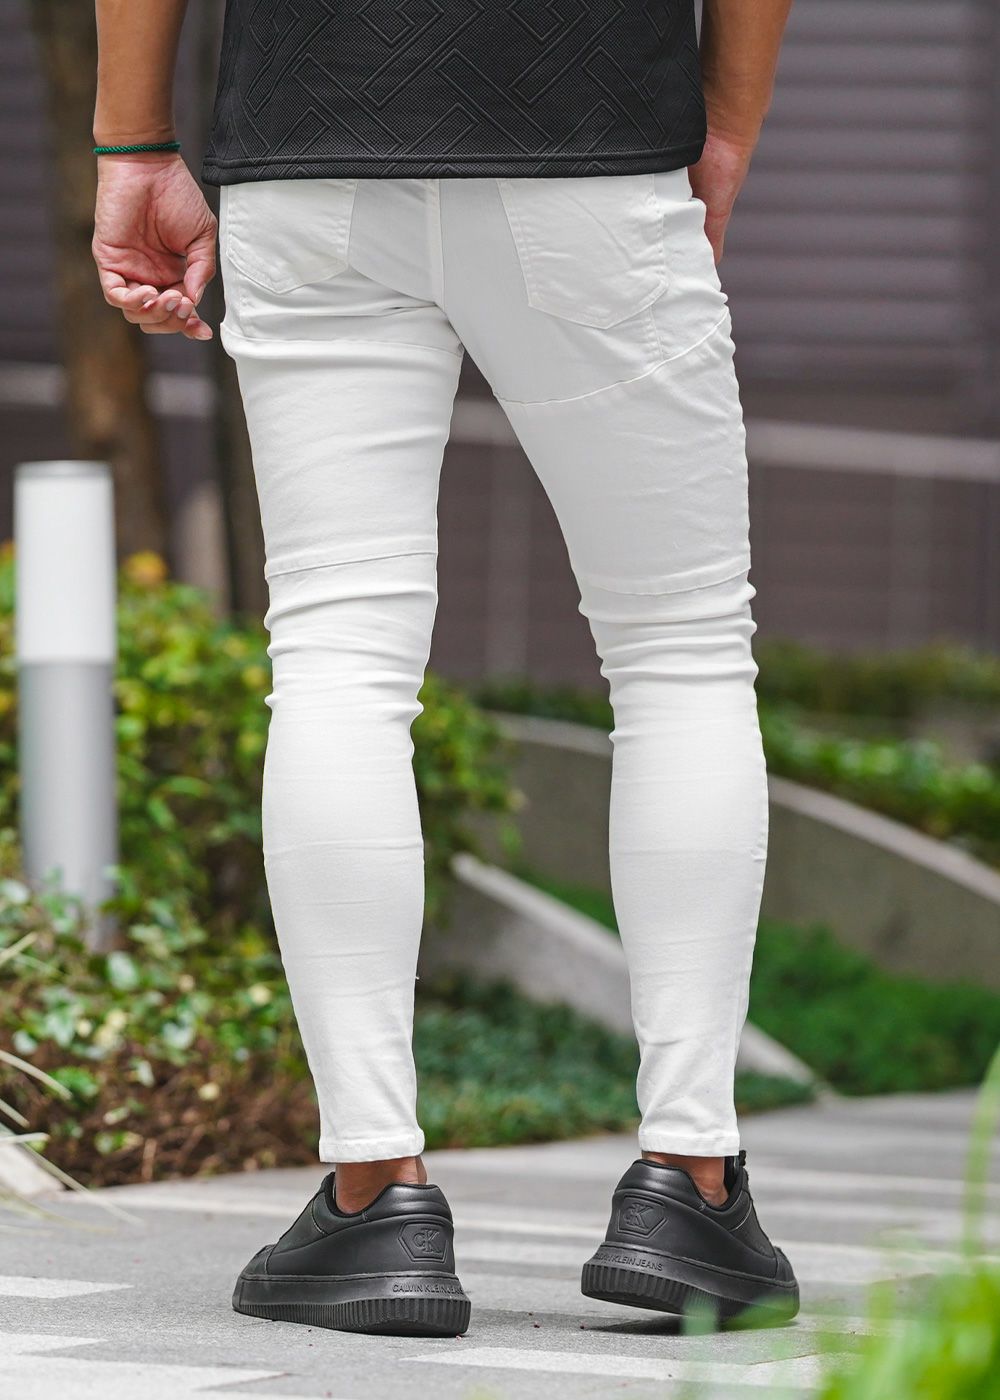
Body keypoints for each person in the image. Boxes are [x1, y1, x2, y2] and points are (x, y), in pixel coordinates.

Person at [93, 0, 798, 1337]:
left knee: (337, 653)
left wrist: (131, 140)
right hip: (590, 130)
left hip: (311, 141)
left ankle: (375, 1197)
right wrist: (727, 121)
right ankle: (689, 1179)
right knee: (680, 654)